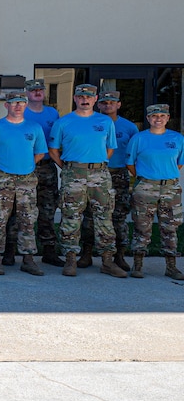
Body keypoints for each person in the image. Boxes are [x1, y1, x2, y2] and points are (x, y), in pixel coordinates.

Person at [49, 84, 124, 278]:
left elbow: (110, 149)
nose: (85, 100)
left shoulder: (105, 122)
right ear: (75, 98)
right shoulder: (63, 122)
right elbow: (53, 150)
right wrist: (67, 168)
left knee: (104, 217)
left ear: (95, 99)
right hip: (73, 173)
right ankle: (70, 259)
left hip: (99, 175)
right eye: (81, 96)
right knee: (71, 217)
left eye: (89, 97)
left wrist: (96, 165)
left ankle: (107, 261)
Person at [0, 92, 47, 276]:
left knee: (27, 220)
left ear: (25, 105)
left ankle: (27, 259)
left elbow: (40, 152)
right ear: (6, 106)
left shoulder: (34, 127)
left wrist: (26, 165)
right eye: (13, 103)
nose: (17, 106)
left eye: (21, 102)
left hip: (26, 179)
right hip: (2, 179)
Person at [124, 104, 184, 280]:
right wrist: (145, 178)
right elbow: (130, 163)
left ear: (167, 118)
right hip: (145, 187)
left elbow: (178, 163)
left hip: (170, 188)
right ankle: (138, 263)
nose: (158, 119)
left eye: (162, 116)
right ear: (148, 118)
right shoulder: (139, 138)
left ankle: (171, 266)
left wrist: (164, 177)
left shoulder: (177, 139)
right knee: (142, 226)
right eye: (154, 116)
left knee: (170, 227)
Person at [90, 91, 138, 270]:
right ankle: (87, 253)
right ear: (98, 105)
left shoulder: (129, 127)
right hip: (96, 173)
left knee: (118, 215)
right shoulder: (92, 123)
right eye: (104, 102)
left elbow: (135, 153)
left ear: (119, 105)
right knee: (90, 215)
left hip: (118, 174)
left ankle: (119, 255)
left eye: (112, 102)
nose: (108, 105)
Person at [24, 78, 63, 266]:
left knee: (48, 209)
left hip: (47, 166)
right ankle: (17, 250)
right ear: (27, 93)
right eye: (33, 90)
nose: (37, 92)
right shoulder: (20, 112)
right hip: (25, 167)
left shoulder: (52, 113)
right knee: (23, 211)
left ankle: (49, 250)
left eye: (40, 89)